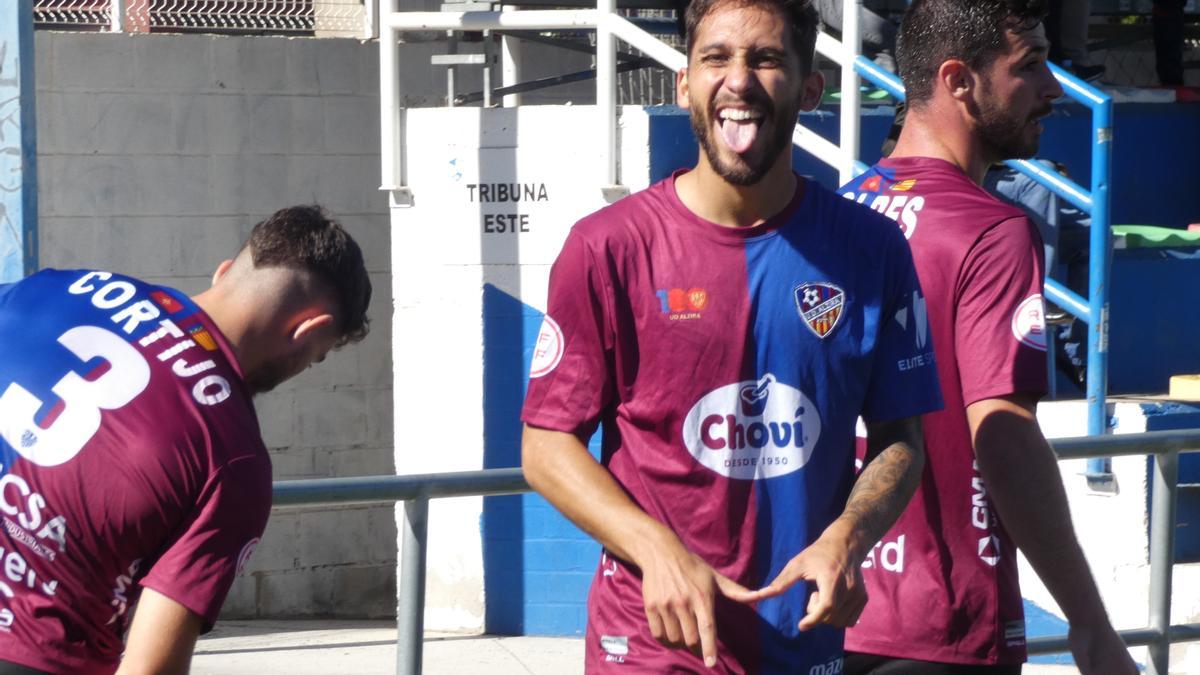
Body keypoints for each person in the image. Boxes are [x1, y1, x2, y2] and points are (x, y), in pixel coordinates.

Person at [521, 0, 943, 671]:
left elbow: (902, 441)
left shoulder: (872, 249)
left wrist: (849, 537)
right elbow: (545, 445)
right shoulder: (608, 248)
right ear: (684, 81)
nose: (739, 80)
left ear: (811, 87)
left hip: (802, 640)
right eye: (716, 57)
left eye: (766, 58)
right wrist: (655, 547)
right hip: (653, 644)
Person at [838, 1, 1136, 673]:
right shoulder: (991, 231)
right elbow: (1001, 436)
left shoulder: (838, 212)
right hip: (942, 625)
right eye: (1028, 66)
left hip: (826, 615)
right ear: (959, 80)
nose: (1053, 88)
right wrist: (1089, 623)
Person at [0, 205, 371, 674]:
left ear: (223, 274)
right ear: (307, 330)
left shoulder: (57, 285)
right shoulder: (234, 459)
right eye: (314, 358)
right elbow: (151, 667)